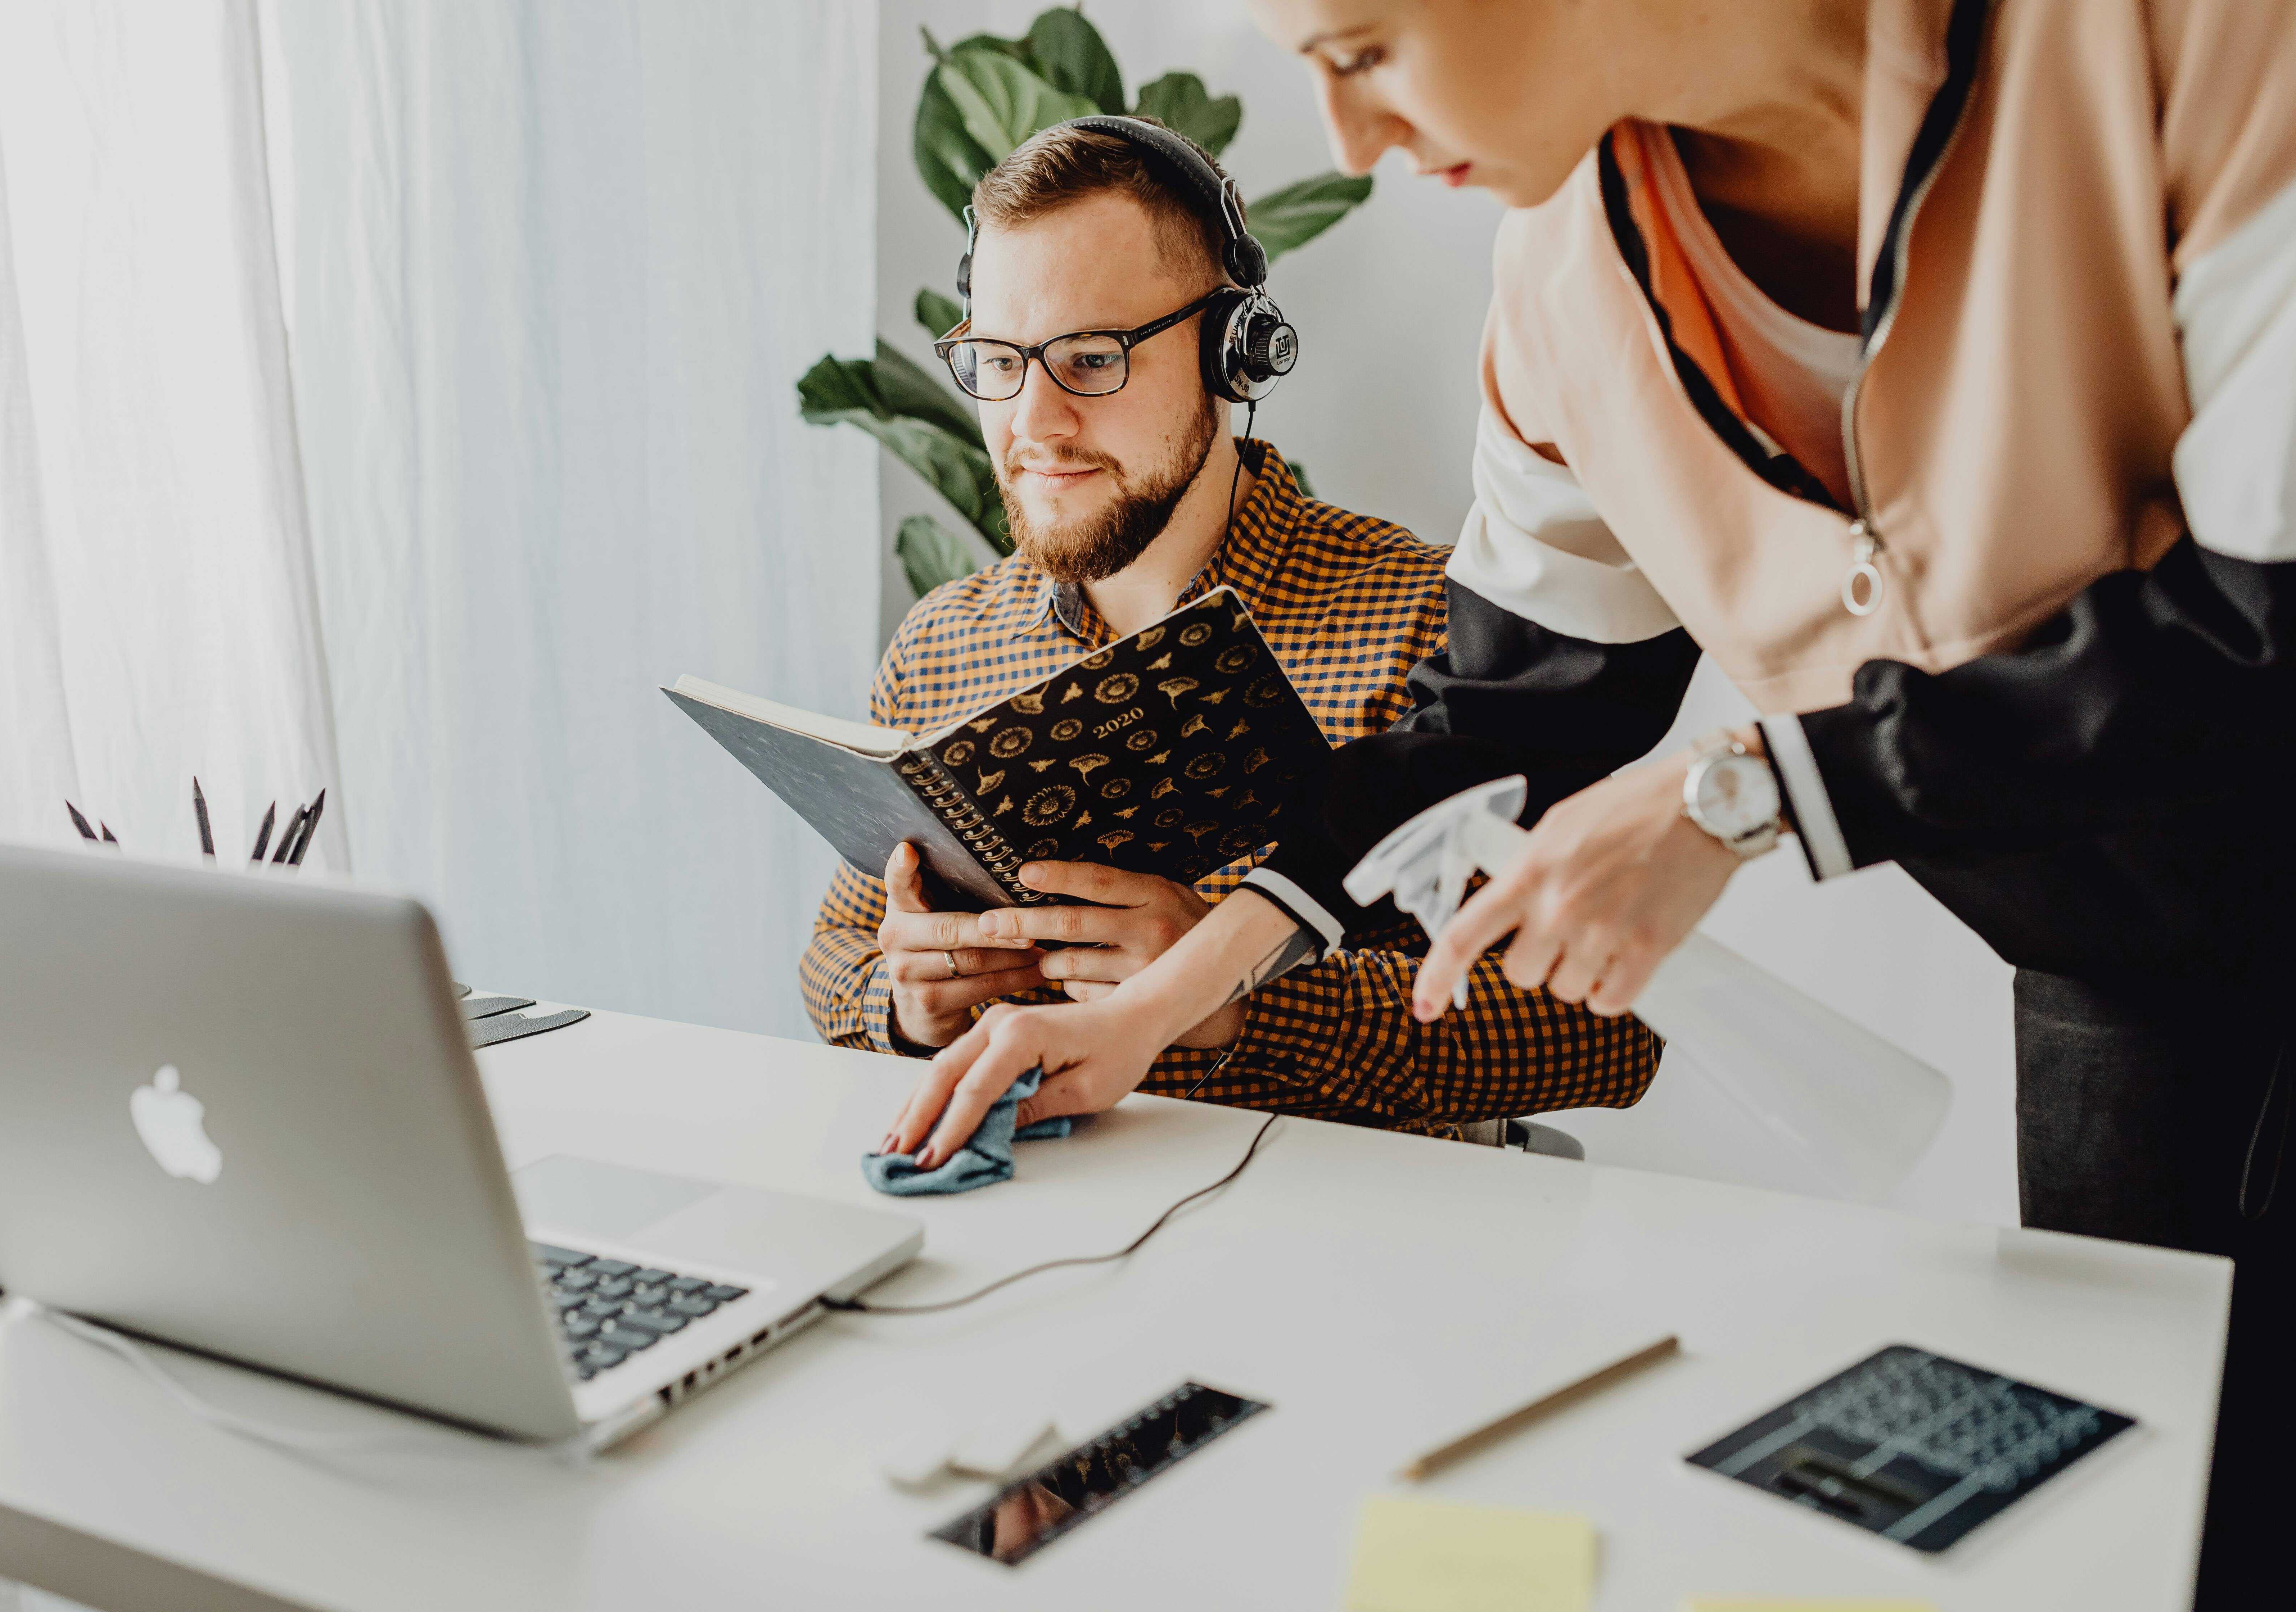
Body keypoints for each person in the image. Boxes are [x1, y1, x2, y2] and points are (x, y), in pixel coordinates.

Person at [890, 1, 2296, 1596]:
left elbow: (2264, 636)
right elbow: (1505, 709)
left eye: (1363, 51)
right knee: (2156, 1539)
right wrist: (1162, 1001)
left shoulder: (2189, 44)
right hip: (2122, 983)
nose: (1348, 140)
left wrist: (1743, 791)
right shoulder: (1563, 277)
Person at [810, 119, 1658, 1144]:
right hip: (1033, 1243)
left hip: (1341, 1266)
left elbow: (1597, 1035)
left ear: (1234, 353)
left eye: (1089, 357)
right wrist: (907, 1004)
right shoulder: (942, 644)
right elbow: (836, 958)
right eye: (997, 360)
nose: (1033, 423)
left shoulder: (1436, 626)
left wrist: (1232, 999)